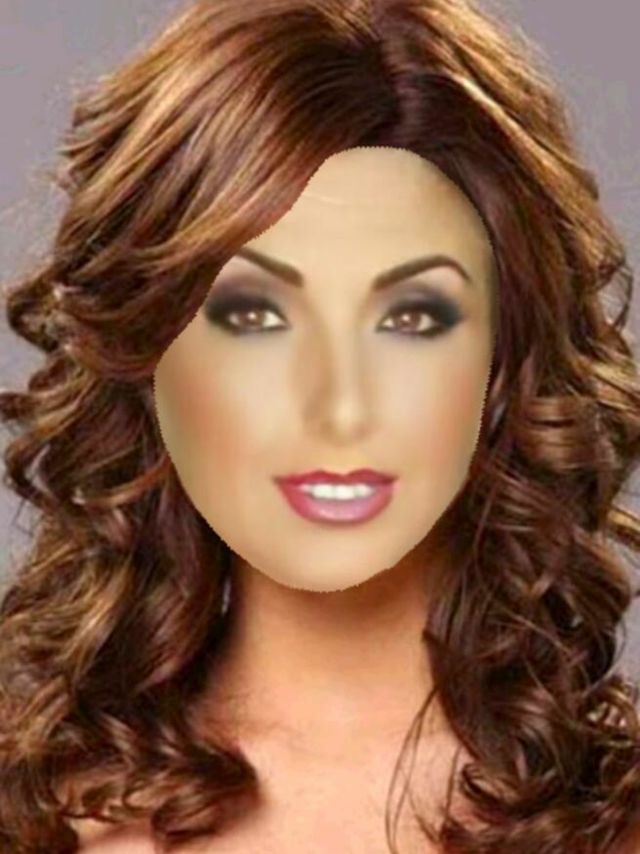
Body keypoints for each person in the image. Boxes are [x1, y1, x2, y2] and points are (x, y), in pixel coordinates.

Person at [0, 0, 639, 852]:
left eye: (411, 318)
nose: (339, 406)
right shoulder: (36, 820)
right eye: (256, 316)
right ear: (143, 352)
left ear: (504, 357)